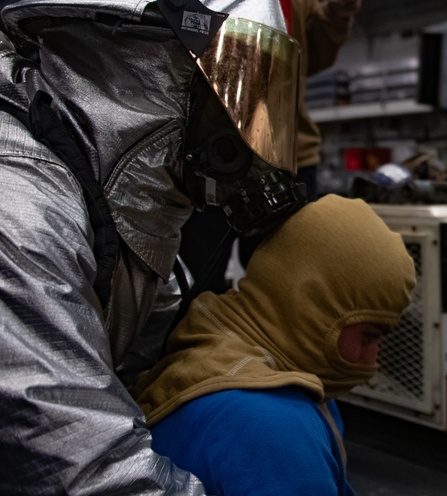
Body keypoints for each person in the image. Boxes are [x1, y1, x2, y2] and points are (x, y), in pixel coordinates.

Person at [0, 0, 305, 494]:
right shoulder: (18, 213)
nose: (244, 127)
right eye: (233, 89)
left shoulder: (112, 204)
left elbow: (162, 336)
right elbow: (89, 474)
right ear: (149, 68)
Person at [131, 194, 415, 496]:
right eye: (368, 337)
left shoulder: (203, 348)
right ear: (313, 310)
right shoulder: (277, 428)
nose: (373, 359)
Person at [181, 0, 364, 294]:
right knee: (195, 284)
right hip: (203, 153)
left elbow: (308, 59)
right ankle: (194, 359)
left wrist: (337, 19)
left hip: (285, 151)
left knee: (284, 284)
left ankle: (269, 361)